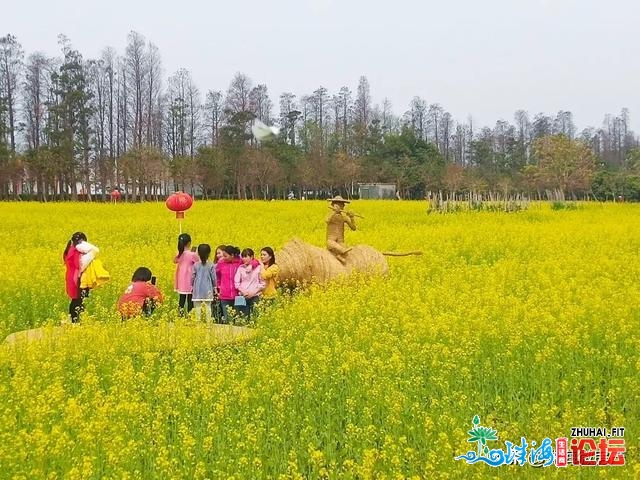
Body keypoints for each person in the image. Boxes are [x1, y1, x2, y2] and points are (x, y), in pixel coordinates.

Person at [63, 232, 89, 323]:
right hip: (76, 278)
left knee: (76, 299)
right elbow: (79, 265)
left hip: (71, 277)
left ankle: (74, 319)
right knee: (78, 299)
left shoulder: (70, 249)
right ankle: (75, 320)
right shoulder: (75, 251)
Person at [234, 248, 265, 319]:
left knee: (256, 317)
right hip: (242, 296)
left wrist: (253, 292)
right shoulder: (240, 268)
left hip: (255, 296)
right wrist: (243, 291)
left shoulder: (259, 268)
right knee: (242, 318)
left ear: (251, 257)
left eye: (246, 256)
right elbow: (236, 282)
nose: (244, 259)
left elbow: (262, 283)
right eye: (243, 257)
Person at [325, 195, 356, 264]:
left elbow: (353, 228)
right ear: (333, 206)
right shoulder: (330, 215)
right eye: (337, 205)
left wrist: (352, 218)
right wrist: (334, 212)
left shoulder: (344, 218)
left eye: (341, 205)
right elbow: (327, 220)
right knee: (342, 250)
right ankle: (338, 255)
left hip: (340, 242)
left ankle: (338, 256)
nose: (339, 207)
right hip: (331, 241)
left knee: (346, 252)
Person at [215, 245, 243, 323]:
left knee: (238, 320)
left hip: (238, 295)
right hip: (224, 295)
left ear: (232, 255)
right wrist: (219, 286)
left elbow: (254, 262)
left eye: (225, 256)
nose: (223, 257)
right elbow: (216, 276)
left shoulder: (240, 262)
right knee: (228, 320)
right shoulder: (221, 263)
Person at [173, 233, 199, 316]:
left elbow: (175, 261)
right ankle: (190, 315)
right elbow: (198, 262)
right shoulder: (192, 254)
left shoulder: (179, 254)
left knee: (181, 298)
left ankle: (179, 315)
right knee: (190, 298)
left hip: (181, 279)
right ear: (189, 243)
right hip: (189, 278)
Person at [192, 244, 216, 322]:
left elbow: (192, 277)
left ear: (198, 253)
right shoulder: (211, 265)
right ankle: (208, 322)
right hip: (208, 288)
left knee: (197, 307)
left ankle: (197, 322)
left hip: (197, 289)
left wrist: (192, 285)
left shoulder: (195, 265)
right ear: (209, 253)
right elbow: (214, 278)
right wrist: (215, 287)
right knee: (208, 306)